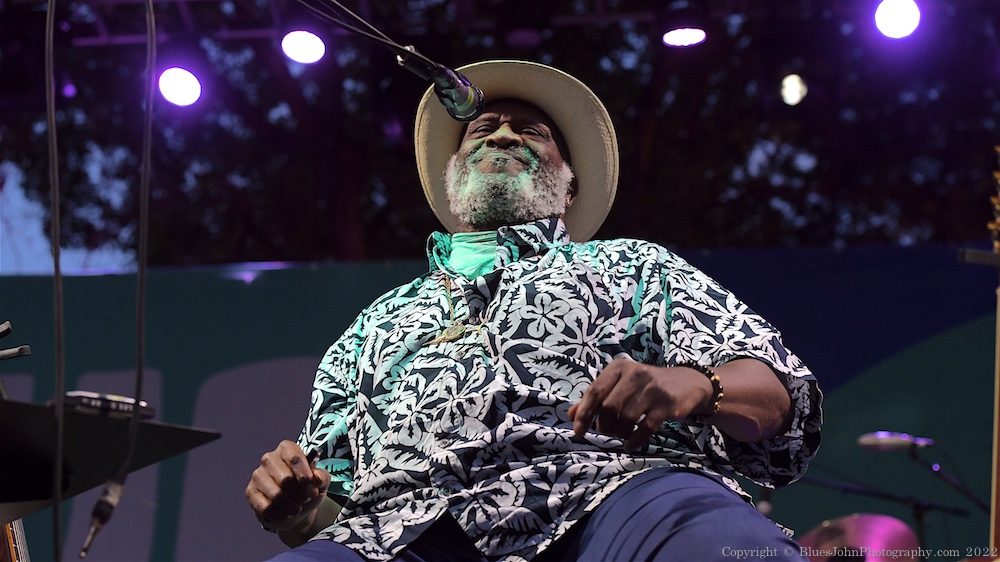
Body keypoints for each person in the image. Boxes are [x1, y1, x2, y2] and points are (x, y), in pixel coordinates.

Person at [245, 59, 823, 562]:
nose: (502, 137)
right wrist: (296, 508)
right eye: (482, 129)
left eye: (531, 131)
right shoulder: (372, 326)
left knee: (714, 542)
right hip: (398, 538)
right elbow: (329, 506)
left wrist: (694, 385)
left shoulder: (634, 267)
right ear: (454, 178)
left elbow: (778, 400)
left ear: (568, 188)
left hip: (614, 498)